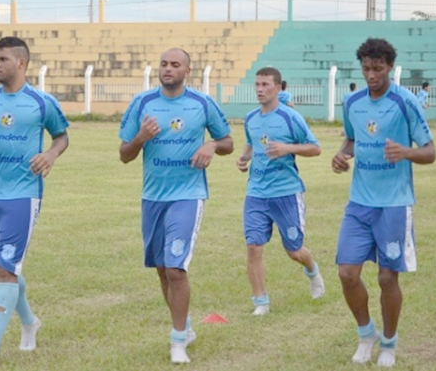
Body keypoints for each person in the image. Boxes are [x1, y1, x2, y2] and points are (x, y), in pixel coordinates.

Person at [0, 36, 70, 366]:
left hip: (23, 195)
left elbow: (61, 136)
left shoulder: (41, 102)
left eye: (3, 59)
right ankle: (31, 322)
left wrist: (50, 153)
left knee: (6, 269)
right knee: (1, 269)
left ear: (21, 63)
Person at [119, 48, 233, 364]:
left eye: (175, 65)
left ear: (188, 70)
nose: (168, 69)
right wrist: (141, 136)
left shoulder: (201, 103)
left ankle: (177, 341)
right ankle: (186, 326)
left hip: (188, 194)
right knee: (161, 269)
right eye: (164, 64)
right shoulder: (142, 104)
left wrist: (210, 144)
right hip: (153, 197)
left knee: (175, 268)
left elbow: (227, 142)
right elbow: (124, 153)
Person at [331, 38, 436, 367]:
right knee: (347, 274)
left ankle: (389, 343)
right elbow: (352, 138)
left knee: (387, 278)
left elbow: (429, 151)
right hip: (359, 202)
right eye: (365, 68)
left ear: (390, 66)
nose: (371, 74)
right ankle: (367, 334)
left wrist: (406, 152)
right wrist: (342, 154)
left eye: (377, 68)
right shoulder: (352, 102)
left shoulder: (406, 102)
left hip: (394, 203)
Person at [236, 66, 325, 317]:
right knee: (253, 247)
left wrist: (287, 148)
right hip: (256, 193)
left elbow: (315, 148)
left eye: (265, 85)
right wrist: (244, 158)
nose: (260, 89)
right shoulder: (251, 118)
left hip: (286, 192)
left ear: (277, 87)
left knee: (294, 251)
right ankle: (261, 302)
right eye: (257, 85)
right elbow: (252, 143)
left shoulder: (290, 117)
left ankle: (312, 271)